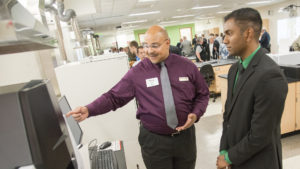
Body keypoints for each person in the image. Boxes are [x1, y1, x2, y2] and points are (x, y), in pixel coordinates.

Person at [67, 25, 209, 169]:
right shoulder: (137, 73)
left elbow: (203, 94)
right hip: (154, 141)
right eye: (146, 46)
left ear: (167, 43)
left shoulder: (186, 66)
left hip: (185, 139)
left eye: (155, 45)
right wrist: (89, 109)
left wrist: (196, 113)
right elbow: (113, 97)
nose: (149, 51)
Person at [217, 8, 288, 169]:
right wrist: (223, 150)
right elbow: (228, 115)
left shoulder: (270, 75)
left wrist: (229, 157)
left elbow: (260, 135)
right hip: (237, 157)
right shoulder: (234, 69)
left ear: (248, 34)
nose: (225, 40)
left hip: (259, 162)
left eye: (229, 33)